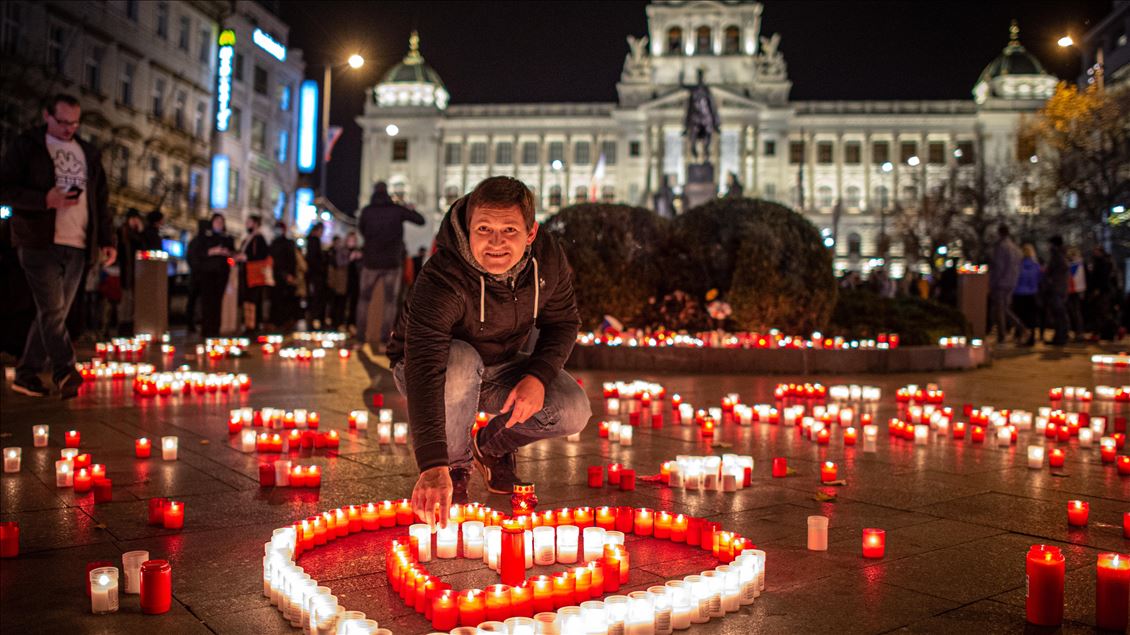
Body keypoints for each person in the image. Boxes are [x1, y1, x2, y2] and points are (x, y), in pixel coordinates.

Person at [388, 176, 590, 524]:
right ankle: (454, 470)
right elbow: (424, 366)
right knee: (462, 360)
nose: (496, 242)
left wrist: (537, 377)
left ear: (530, 233)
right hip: (433, 367)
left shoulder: (547, 260)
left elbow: (564, 322)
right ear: (468, 229)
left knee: (573, 409)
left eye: (509, 230)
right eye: (484, 229)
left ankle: (490, 447)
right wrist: (432, 464)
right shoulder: (443, 277)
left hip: (501, 365)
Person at [1, 94, 116, 398]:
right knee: (52, 310)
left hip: (78, 244)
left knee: (53, 314)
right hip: (39, 241)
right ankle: (65, 370)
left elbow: (101, 200)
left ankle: (26, 374)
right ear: (47, 116)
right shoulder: (28, 146)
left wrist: (106, 239)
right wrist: (43, 200)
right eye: (63, 122)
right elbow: (6, 189)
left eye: (74, 123)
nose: (69, 129)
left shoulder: (87, 152)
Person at [356, 181, 424, 349]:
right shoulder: (397, 210)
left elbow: (362, 230)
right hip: (392, 262)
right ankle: (385, 338)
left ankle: (360, 338)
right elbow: (420, 220)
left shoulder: (367, 211)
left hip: (370, 261)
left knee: (364, 300)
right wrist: (409, 208)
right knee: (390, 302)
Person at [191, 214, 234, 337]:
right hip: (207, 273)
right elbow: (198, 253)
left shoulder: (227, 238)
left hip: (221, 273)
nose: (219, 224)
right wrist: (212, 251)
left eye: (221, 222)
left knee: (217, 302)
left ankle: (215, 329)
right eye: (217, 221)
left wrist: (228, 253)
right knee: (207, 301)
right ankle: (206, 329)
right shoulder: (204, 238)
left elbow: (232, 253)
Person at [989, 224, 1026, 343]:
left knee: (1000, 309)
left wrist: (993, 282)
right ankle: (1017, 329)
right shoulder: (1015, 248)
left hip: (1001, 282)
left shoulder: (1001, 247)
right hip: (1011, 282)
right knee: (1004, 308)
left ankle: (1007, 333)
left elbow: (998, 266)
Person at [236, 214, 270, 334]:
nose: (247, 224)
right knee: (247, 299)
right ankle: (249, 324)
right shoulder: (248, 238)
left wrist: (247, 257)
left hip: (254, 274)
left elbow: (263, 255)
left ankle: (254, 325)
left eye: (249, 222)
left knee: (254, 299)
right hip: (246, 273)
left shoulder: (259, 238)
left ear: (255, 224)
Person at [117, 208, 145, 334]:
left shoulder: (138, 235)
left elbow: (143, 248)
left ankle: (131, 326)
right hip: (125, 272)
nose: (134, 222)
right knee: (125, 301)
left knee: (134, 300)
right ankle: (123, 327)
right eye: (133, 219)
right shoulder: (122, 232)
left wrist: (140, 232)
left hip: (136, 272)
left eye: (136, 219)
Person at [268, 221, 298, 330]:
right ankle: (275, 322)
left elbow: (292, 260)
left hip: (285, 275)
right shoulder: (273, 243)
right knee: (275, 299)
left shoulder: (288, 243)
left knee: (285, 299)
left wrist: (290, 274)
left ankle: (285, 322)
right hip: (274, 275)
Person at [1012, 243, 1041, 347]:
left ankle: (1020, 336)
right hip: (1032, 294)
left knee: (1020, 317)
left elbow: (1015, 279)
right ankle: (1031, 338)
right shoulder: (1036, 266)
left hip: (1019, 293)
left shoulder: (1018, 266)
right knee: (1031, 318)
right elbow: (1039, 279)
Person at [184, 218, 208, 334]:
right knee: (195, 300)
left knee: (194, 301)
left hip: (196, 275)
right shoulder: (200, 242)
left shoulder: (195, 241)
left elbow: (189, 257)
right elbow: (191, 258)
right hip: (198, 276)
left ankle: (192, 323)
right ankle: (193, 323)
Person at [1045, 235, 1070, 346]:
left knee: (1059, 314)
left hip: (1057, 288)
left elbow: (1052, 270)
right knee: (1060, 313)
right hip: (1061, 287)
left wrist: (1050, 278)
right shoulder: (1061, 254)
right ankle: (1060, 336)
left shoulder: (1057, 255)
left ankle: (1060, 337)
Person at [305, 222, 327, 329]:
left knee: (314, 298)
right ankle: (313, 321)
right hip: (316, 275)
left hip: (314, 274)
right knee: (316, 298)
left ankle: (312, 320)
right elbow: (313, 259)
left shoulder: (310, 241)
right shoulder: (314, 241)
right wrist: (321, 268)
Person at [326, 235, 349, 327]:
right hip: (337, 282)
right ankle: (335, 321)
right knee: (336, 303)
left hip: (339, 282)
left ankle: (337, 321)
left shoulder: (338, 252)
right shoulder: (336, 252)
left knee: (339, 302)